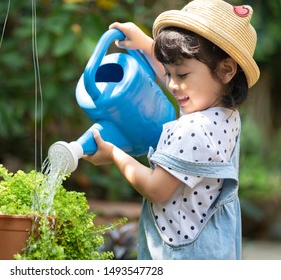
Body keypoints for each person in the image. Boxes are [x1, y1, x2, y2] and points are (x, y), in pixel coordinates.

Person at [83, 0, 260, 259]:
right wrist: (145, 43)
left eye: (182, 75)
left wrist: (113, 154)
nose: (173, 85)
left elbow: (156, 189)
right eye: (168, 74)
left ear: (226, 70)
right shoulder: (223, 114)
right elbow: (187, 75)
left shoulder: (193, 128)